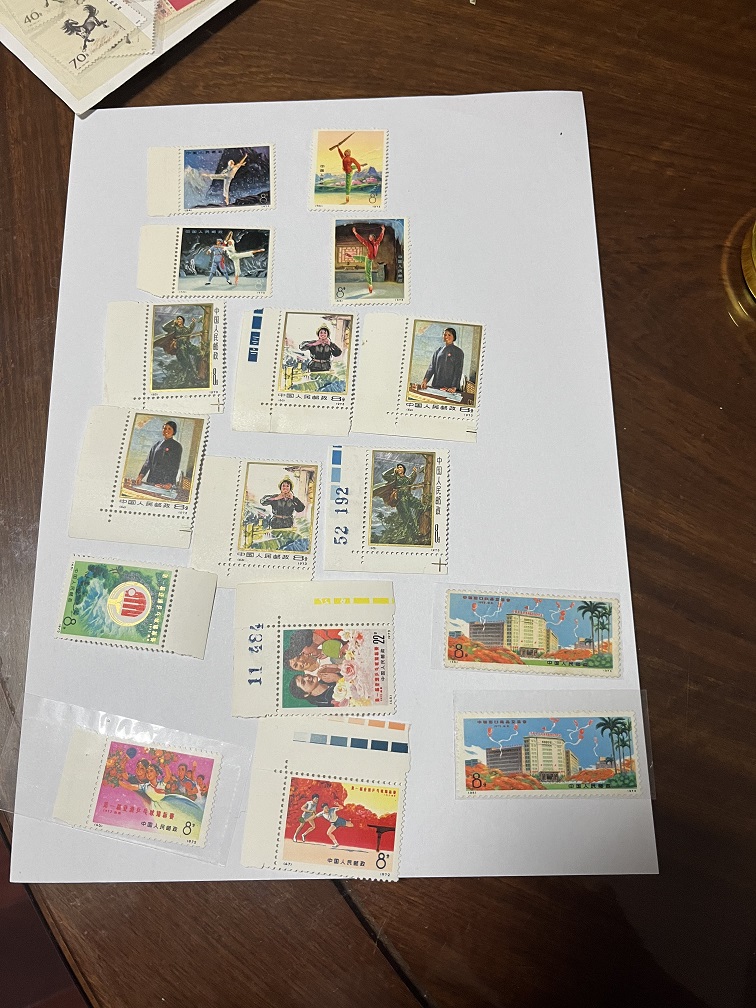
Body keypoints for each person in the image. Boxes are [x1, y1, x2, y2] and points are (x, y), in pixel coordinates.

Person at [373, 463, 424, 539]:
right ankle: (414, 535)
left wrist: (414, 472)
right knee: (408, 517)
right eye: (398, 467)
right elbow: (384, 475)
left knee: (421, 506)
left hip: (409, 498)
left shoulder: (407, 479)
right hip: (400, 500)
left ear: (404, 469)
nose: (399, 468)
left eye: (400, 467)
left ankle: (420, 526)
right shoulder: (394, 478)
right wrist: (393, 470)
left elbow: (411, 479)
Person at [153, 314, 202, 386]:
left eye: (180, 319)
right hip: (180, 346)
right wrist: (172, 321)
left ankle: (199, 371)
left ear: (183, 321)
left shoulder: (186, 329)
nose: (179, 320)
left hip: (187, 345)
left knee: (199, 352)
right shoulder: (174, 328)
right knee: (186, 362)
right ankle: (186, 378)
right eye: (178, 319)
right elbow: (165, 327)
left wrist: (193, 323)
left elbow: (190, 330)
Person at [135, 421, 182, 489]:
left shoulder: (177, 446)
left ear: (174, 431)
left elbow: (175, 466)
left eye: (169, 429)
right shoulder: (156, 445)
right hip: (152, 480)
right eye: (164, 428)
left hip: (165, 483)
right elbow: (148, 462)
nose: (166, 430)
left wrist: (170, 483)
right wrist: (140, 476)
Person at [421, 327, 465, 394]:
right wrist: (425, 380)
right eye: (445, 335)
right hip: (436, 385)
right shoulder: (438, 351)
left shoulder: (458, 352)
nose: (446, 336)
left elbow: (458, 371)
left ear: (454, 337)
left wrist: (454, 387)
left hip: (450, 388)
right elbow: (431, 367)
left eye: (449, 335)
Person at [347, 224, 385, 294]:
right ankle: (370, 285)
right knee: (362, 260)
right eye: (369, 237)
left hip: (369, 259)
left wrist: (383, 230)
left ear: (373, 238)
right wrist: (355, 232)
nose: (369, 237)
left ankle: (370, 285)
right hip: (368, 258)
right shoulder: (368, 243)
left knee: (368, 272)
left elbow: (381, 237)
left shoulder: (377, 243)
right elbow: (361, 240)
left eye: (370, 237)